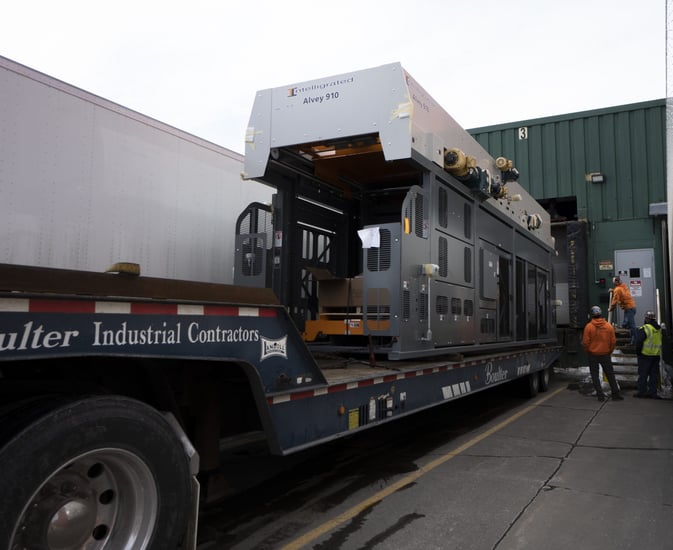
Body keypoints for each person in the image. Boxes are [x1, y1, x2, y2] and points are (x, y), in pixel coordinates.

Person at [582, 305, 624, 401]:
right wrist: (609, 351)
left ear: (592, 315)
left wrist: (588, 351)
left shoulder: (589, 327)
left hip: (593, 355)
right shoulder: (608, 326)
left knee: (595, 375)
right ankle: (615, 394)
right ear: (601, 314)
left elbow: (585, 342)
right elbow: (613, 341)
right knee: (610, 374)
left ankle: (600, 395)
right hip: (605, 354)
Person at [634, 311, 662, 399]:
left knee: (643, 374)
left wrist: (638, 352)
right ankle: (653, 392)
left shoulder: (645, 328)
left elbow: (639, 342)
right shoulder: (658, 329)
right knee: (654, 375)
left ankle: (642, 392)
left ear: (646, 319)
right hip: (656, 355)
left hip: (645, 355)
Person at [608, 276, 637, 344]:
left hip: (629, 309)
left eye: (614, 282)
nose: (613, 283)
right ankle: (627, 338)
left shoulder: (618, 289)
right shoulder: (623, 286)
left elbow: (614, 301)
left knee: (632, 326)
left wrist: (610, 309)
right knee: (625, 324)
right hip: (631, 308)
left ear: (617, 282)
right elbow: (620, 291)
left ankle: (634, 341)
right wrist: (613, 290)